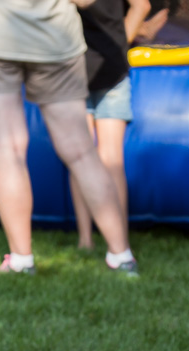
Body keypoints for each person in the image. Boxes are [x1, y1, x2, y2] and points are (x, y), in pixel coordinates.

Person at [0, 0, 138, 276]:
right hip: (54, 39)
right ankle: (121, 255)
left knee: (7, 148)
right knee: (81, 151)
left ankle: (21, 260)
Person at [69, 0, 149, 250]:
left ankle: (86, 239)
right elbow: (142, 6)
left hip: (75, 70)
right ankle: (119, 240)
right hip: (108, 69)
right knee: (111, 159)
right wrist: (120, 43)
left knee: (81, 158)